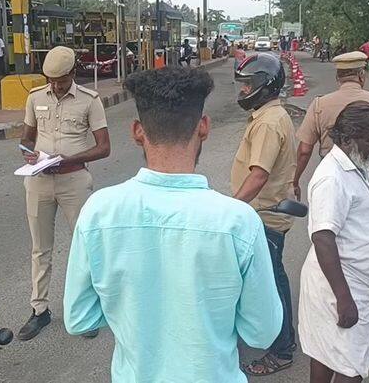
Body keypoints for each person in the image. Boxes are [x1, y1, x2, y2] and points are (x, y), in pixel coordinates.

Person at [63, 67, 282, 382]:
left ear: (137, 130)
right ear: (203, 127)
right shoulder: (237, 221)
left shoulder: (100, 212)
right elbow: (261, 333)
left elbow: (79, 319)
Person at [18, 46, 111, 341]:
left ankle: (87, 311)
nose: (55, 85)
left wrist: (66, 160)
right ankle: (39, 310)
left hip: (74, 181)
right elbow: (26, 137)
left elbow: (104, 147)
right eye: (51, 80)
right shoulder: (35, 97)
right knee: (39, 248)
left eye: (60, 80)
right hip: (39, 181)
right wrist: (28, 155)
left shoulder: (90, 101)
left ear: (72, 73)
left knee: (83, 246)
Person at [298, 101, 369, 382]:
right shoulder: (331, 177)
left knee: (329, 353)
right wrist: (344, 298)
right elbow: (323, 237)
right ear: (348, 138)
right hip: (340, 285)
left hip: (354, 282)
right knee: (350, 365)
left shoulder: (358, 165)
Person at [230, 54, 298, 376]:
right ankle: (270, 337)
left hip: (265, 216)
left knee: (272, 285)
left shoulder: (269, 123)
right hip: (263, 213)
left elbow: (258, 176)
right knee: (270, 281)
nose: (243, 91)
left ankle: (282, 350)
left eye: (247, 85)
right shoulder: (268, 116)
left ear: (264, 85)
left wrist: (230, 209)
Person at [295, 51, 369, 219]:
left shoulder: (319, 104)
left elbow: (304, 150)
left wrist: (294, 181)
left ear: (338, 77)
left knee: (330, 230)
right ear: (361, 75)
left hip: (332, 175)